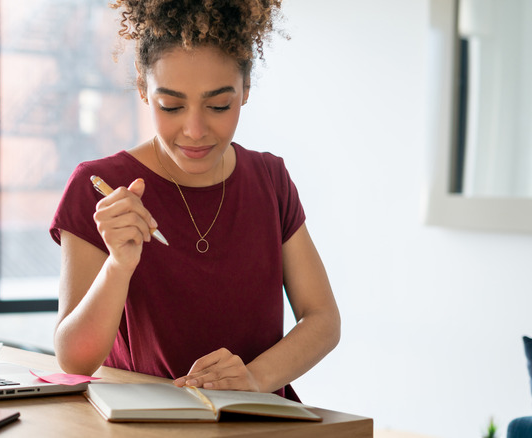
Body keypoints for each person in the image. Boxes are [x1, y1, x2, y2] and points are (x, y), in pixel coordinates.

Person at [49, 0, 340, 400]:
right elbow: (74, 361)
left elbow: (323, 319)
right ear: (143, 88)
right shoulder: (99, 187)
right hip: (148, 423)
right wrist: (118, 265)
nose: (195, 130)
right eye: (171, 106)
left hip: (260, 421)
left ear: (246, 88)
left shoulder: (270, 179)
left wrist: (254, 379)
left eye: (219, 105)